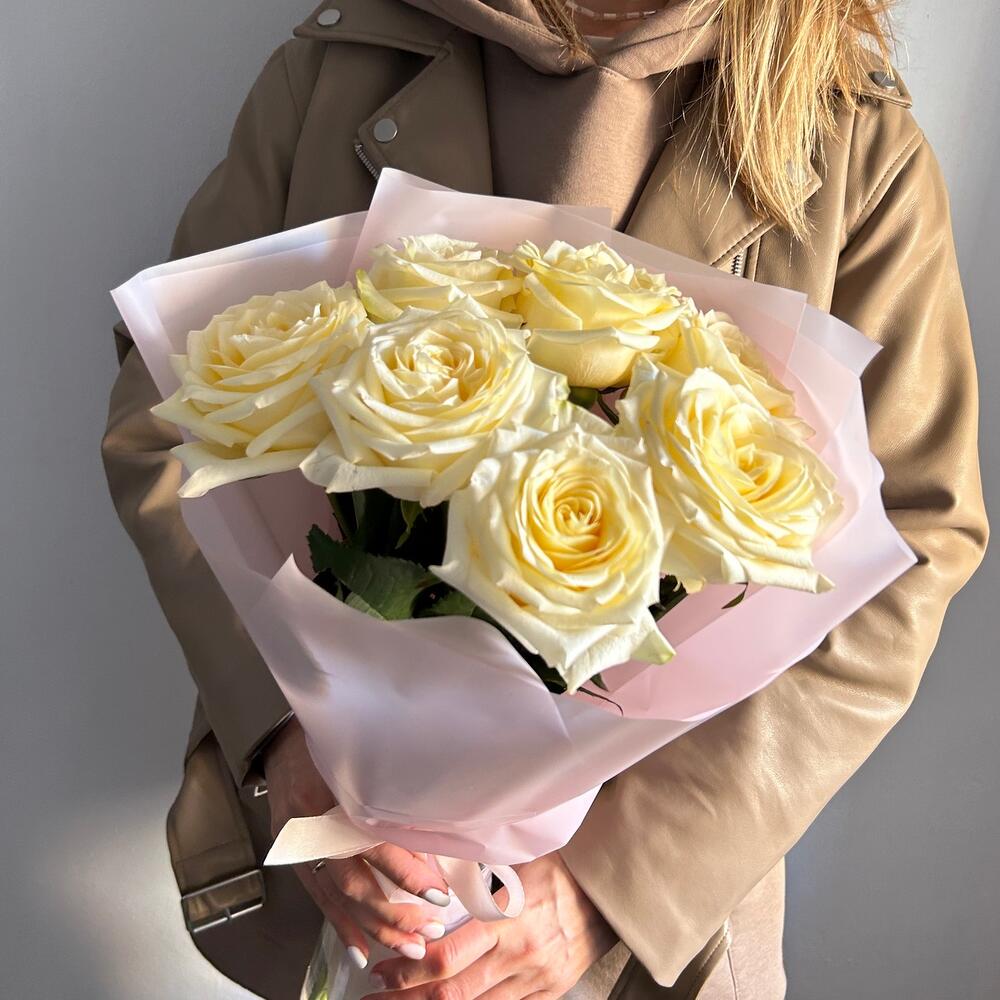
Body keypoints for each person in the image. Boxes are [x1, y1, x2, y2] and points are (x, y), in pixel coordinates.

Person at [102, 2, 988, 998]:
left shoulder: (850, 136)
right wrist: (287, 740)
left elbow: (913, 535)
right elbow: (167, 402)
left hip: (654, 942)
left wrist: (610, 881)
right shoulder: (338, 71)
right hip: (351, 886)